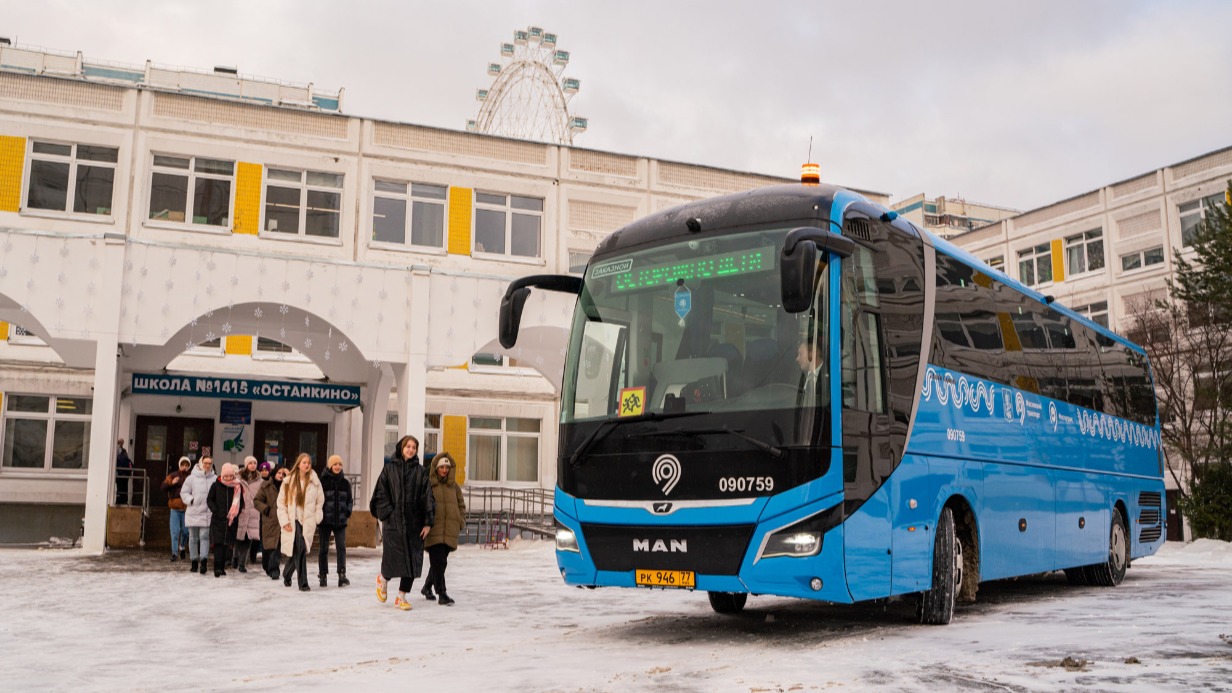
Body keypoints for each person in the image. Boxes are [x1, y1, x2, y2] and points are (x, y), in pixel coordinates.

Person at [370, 435, 434, 611]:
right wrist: (388, 514)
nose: (411, 450)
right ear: (401, 448)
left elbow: (428, 497)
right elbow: (380, 494)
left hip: (415, 525)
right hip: (393, 524)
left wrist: (427, 522)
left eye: (414, 447)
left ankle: (401, 596)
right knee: (392, 560)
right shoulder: (389, 469)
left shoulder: (421, 472)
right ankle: (383, 579)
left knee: (412, 563)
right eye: (408, 446)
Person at [421, 452, 465, 606]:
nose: (445, 470)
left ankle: (427, 587)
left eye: (447, 467)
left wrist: (461, 521)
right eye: (442, 467)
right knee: (438, 561)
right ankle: (442, 593)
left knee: (440, 562)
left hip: (450, 529)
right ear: (436, 468)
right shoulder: (428, 485)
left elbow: (461, 505)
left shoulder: (454, 487)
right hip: (433, 529)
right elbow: (423, 504)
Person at [277, 453, 324, 592]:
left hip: (307, 520)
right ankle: (303, 583)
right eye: (304, 462)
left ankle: (287, 573)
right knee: (301, 548)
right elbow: (281, 503)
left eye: (309, 462)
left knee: (299, 550)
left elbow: (320, 501)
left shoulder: (315, 481)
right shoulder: (288, 482)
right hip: (294, 519)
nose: (307, 465)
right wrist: (284, 521)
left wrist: (317, 516)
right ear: (298, 464)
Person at [318, 454, 353, 588]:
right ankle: (322, 575)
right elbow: (318, 500)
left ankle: (342, 574)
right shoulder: (322, 482)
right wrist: (319, 514)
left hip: (340, 520)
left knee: (341, 547)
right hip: (325, 521)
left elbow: (349, 500)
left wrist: (348, 511)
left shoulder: (345, 483)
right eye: (335, 464)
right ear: (330, 466)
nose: (338, 467)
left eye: (340, 464)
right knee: (323, 548)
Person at [206, 462, 247, 578]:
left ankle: (222, 567)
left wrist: (235, 514)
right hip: (218, 520)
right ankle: (217, 568)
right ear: (222, 475)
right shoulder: (216, 485)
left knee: (227, 546)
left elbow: (241, 503)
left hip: (231, 521)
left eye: (231, 476)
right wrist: (215, 510)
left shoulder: (237, 486)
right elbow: (209, 500)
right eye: (226, 476)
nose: (229, 478)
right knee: (218, 544)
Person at [179, 456, 216, 575]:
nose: (207, 465)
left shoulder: (214, 478)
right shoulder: (191, 478)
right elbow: (184, 492)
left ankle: (204, 562)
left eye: (210, 463)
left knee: (204, 537)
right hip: (193, 512)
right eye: (205, 463)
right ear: (201, 463)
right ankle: (194, 561)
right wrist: (191, 500)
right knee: (193, 538)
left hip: (207, 513)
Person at [253, 464, 286, 580]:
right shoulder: (266, 486)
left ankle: (274, 569)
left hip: (282, 520)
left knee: (277, 546)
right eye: (279, 473)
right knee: (269, 546)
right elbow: (256, 501)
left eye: (283, 474)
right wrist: (266, 510)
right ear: (274, 473)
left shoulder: (287, 487)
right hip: (269, 519)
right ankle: (268, 566)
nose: (281, 476)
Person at [233, 456, 264, 573]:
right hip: (240, 511)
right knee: (238, 537)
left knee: (248, 539)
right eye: (250, 463)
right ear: (246, 465)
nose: (252, 465)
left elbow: (263, 496)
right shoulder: (238, 478)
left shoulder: (260, 480)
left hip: (253, 512)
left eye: (254, 463)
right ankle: (235, 557)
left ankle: (242, 563)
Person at [160, 457, 192, 561]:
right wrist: (171, 483)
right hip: (174, 507)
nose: (184, 467)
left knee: (186, 531)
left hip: (187, 508)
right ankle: (174, 553)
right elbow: (163, 487)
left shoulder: (191, 476)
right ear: (179, 465)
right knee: (175, 531)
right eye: (183, 465)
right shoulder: (173, 475)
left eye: (186, 465)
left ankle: (182, 547)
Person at [114, 439, 134, 505]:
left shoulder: (121, 451)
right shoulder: (120, 451)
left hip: (121, 473)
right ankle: (122, 500)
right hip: (123, 473)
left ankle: (121, 500)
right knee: (122, 488)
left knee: (122, 488)